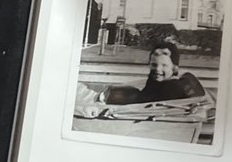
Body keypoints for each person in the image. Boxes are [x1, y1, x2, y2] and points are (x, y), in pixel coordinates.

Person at [75, 42, 206, 117]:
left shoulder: (172, 87)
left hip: (109, 104)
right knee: (78, 91)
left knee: (76, 96)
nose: (158, 70)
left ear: (175, 68)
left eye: (164, 65)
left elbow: (179, 102)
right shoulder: (157, 80)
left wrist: (193, 105)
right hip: (109, 99)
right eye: (154, 65)